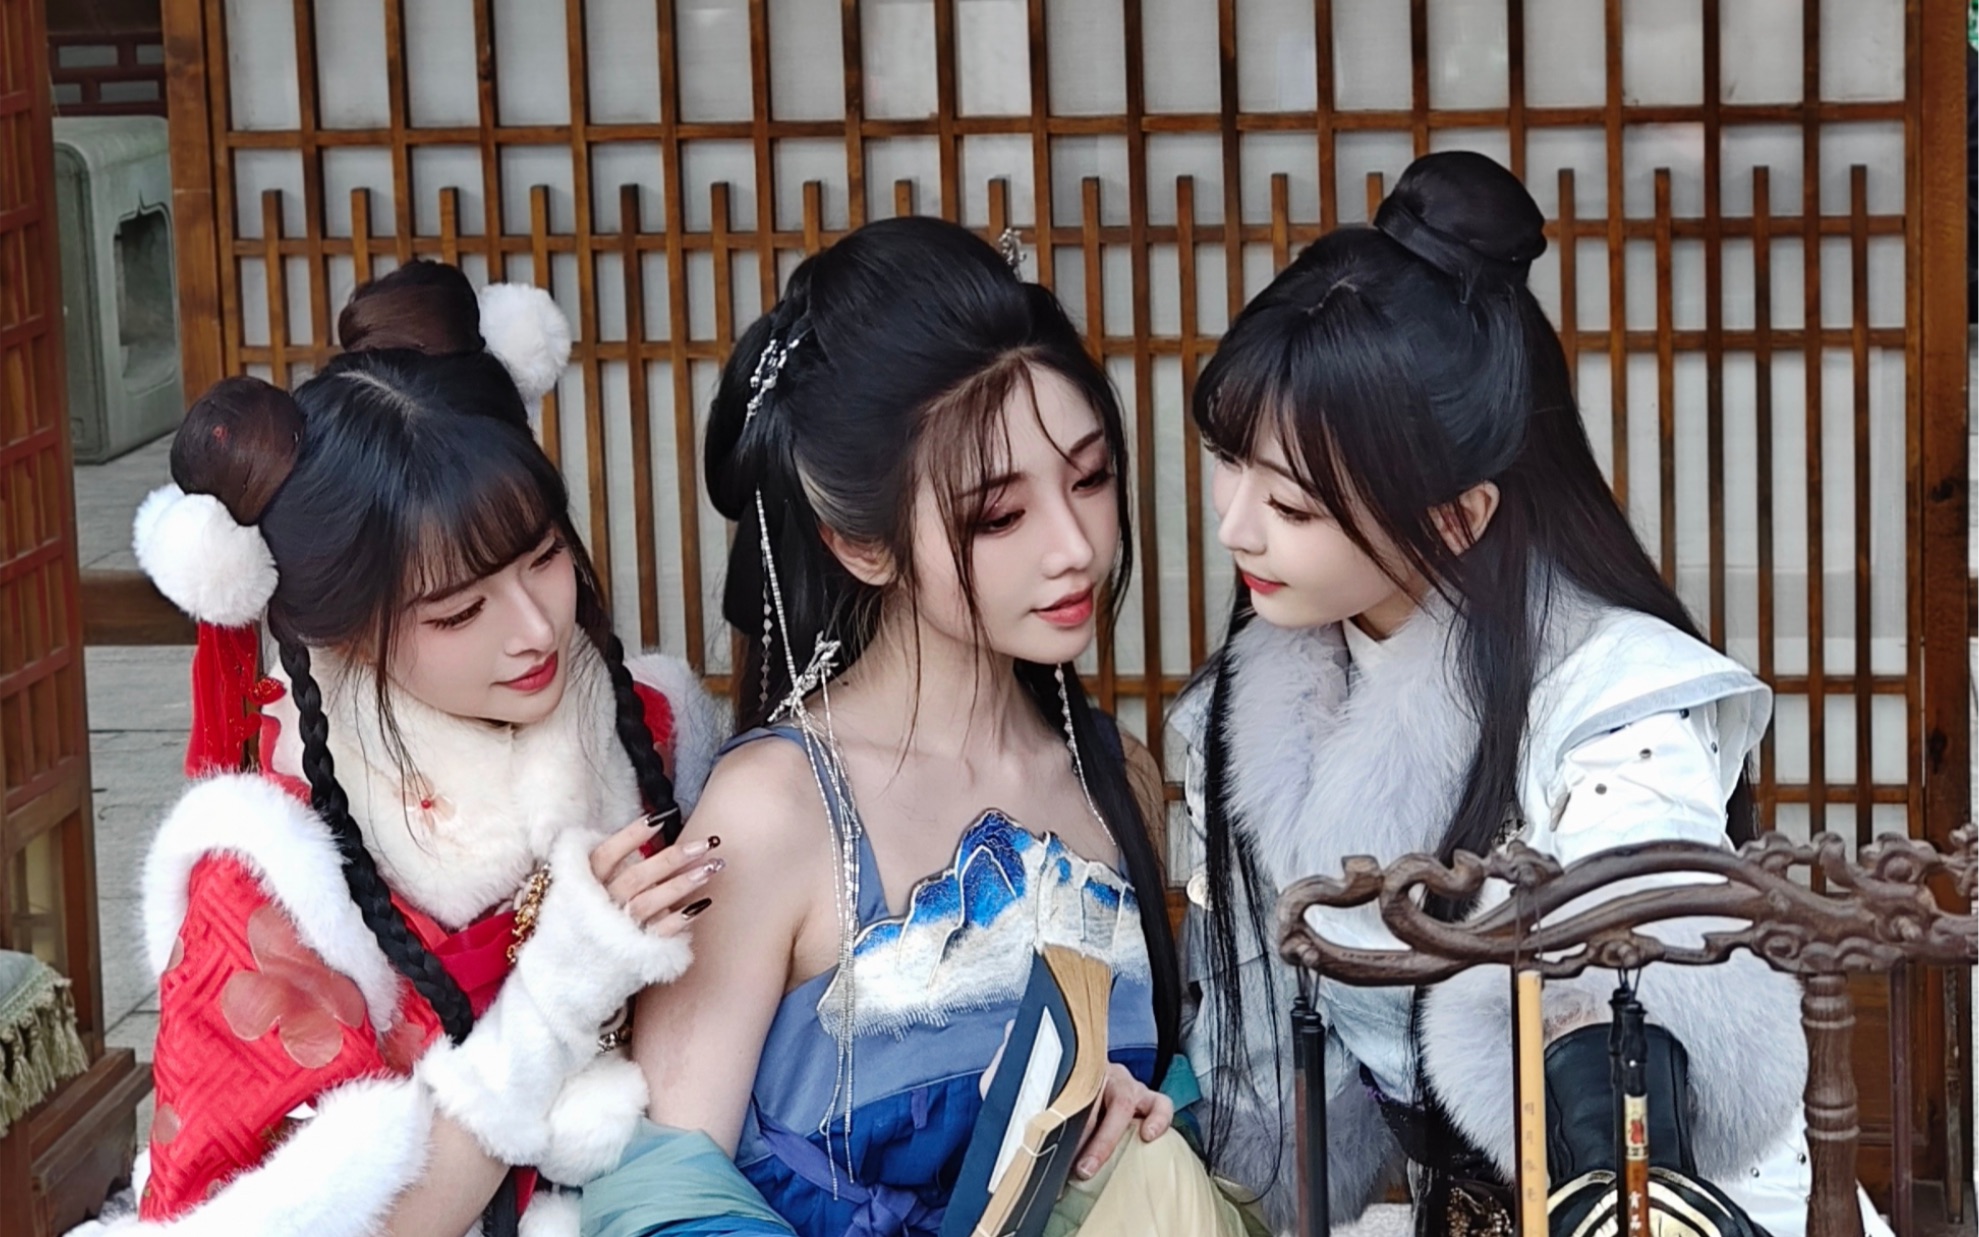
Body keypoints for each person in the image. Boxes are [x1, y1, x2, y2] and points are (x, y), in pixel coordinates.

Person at [1171, 152, 1864, 1237]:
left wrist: (1607, 1116)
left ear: (1456, 517)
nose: (1233, 526)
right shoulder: (1248, 709)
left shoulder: (1611, 701)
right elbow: (1259, 1054)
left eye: (1292, 506)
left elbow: (1623, 948)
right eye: (1226, 459)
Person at [582, 217, 1259, 1237]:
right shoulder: (774, 808)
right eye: (999, 515)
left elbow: (1170, 1106)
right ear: (861, 544)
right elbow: (663, 1196)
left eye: (1088, 478)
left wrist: (1143, 1123)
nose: (1073, 546)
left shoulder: (1111, 773)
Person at [116, 261, 724, 1237]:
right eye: (459, 611)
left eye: (544, 557)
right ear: (346, 632)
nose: (534, 627)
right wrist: (556, 997)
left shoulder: (649, 725)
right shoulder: (268, 877)